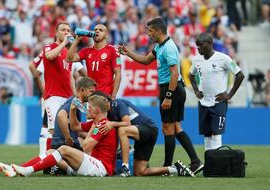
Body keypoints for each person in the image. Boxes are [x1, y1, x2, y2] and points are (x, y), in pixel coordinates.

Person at [118, 17, 203, 174]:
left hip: (172, 89)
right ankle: (195, 161)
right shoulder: (160, 47)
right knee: (176, 127)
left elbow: (175, 72)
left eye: (150, 31)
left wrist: (168, 96)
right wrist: (128, 52)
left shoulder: (169, 48)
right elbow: (145, 60)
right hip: (174, 89)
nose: (148, 34)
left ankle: (167, 166)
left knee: (167, 128)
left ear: (158, 31)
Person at [0, 77, 97, 177]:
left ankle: (16, 169)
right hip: (64, 142)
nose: (93, 95)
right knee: (63, 153)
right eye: (91, 92)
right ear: (82, 90)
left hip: (62, 141)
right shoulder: (75, 103)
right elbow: (61, 115)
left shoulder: (75, 102)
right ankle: (58, 169)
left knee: (49, 154)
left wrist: (90, 134)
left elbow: (76, 128)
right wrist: (68, 138)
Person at [10, 95, 118, 177]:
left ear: (97, 110)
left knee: (63, 149)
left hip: (101, 168)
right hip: (92, 164)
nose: (87, 109)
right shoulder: (98, 123)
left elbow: (85, 147)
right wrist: (72, 110)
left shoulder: (101, 125)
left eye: (89, 107)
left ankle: (27, 170)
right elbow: (75, 126)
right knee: (50, 152)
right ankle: (23, 168)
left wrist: (92, 127)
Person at [93, 91, 194, 177]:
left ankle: (125, 167)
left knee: (122, 130)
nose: (91, 108)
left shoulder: (117, 103)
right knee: (140, 172)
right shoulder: (105, 116)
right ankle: (175, 168)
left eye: (93, 105)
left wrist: (112, 124)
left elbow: (127, 123)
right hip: (140, 135)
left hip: (149, 129)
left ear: (104, 102)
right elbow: (83, 128)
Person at [189, 33, 244, 150]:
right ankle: (210, 163)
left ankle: (217, 163)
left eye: (200, 45)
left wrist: (229, 95)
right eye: (197, 46)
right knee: (207, 134)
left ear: (209, 44)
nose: (198, 48)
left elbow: (240, 75)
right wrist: (196, 90)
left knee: (216, 134)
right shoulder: (196, 59)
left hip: (218, 102)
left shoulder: (224, 58)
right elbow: (191, 75)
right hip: (203, 102)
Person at [29, 51, 87, 157]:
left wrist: (44, 91)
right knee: (53, 126)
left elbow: (35, 72)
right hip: (59, 96)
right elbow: (85, 73)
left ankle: (47, 156)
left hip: (59, 96)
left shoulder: (67, 57)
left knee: (50, 126)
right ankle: (46, 156)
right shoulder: (53, 56)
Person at [41, 22, 75, 153]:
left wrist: (75, 95)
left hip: (67, 97)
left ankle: (61, 162)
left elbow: (70, 76)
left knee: (68, 129)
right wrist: (64, 43)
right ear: (56, 33)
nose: (66, 32)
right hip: (53, 96)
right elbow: (50, 56)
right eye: (63, 30)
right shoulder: (49, 47)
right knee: (53, 129)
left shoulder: (68, 53)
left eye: (68, 30)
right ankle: (48, 164)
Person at [67, 24, 122, 99]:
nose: (97, 31)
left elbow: (118, 73)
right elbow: (69, 59)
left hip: (105, 95)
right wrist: (77, 40)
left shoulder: (112, 50)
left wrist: (113, 96)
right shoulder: (86, 51)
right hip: (90, 96)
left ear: (106, 35)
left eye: (101, 30)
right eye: (95, 30)